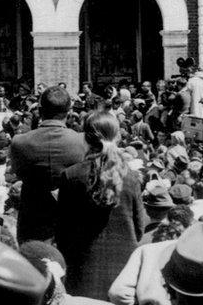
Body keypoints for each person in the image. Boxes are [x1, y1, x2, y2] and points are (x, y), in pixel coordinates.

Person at [57, 111, 145, 299]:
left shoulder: (71, 176)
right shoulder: (131, 178)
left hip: (82, 269)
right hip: (124, 272)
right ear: (117, 136)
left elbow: (62, 230)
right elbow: (139, 229)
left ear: (86, 138)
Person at [9, 86, 88, 243]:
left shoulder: (19, 142)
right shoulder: (83, 142)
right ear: (69, 110)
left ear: (39, 109)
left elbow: (17, 173)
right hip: (72, 220)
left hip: (32, 220)